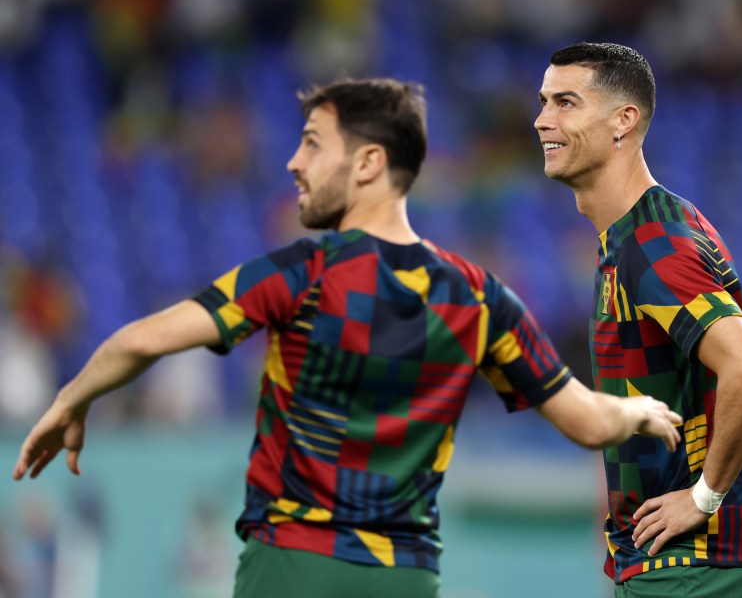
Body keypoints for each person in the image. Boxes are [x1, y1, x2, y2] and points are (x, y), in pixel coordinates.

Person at [13, 77, 683, 598]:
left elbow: (139, 342)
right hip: (402, 577)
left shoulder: (300, 274)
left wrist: (73, 398)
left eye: (312, 144)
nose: (294, 163)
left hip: (292, 566)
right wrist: (642, 410)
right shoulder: (481, 299)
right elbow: (588, 422)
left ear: (367, 163)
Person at [534, 42, 742, 597]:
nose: (542, 118)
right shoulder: (636, 235)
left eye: (566, 102)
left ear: (624, 120)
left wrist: (704, 496)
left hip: (686, 565)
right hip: (662, 563)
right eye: (544, 101)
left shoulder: (651, 244)